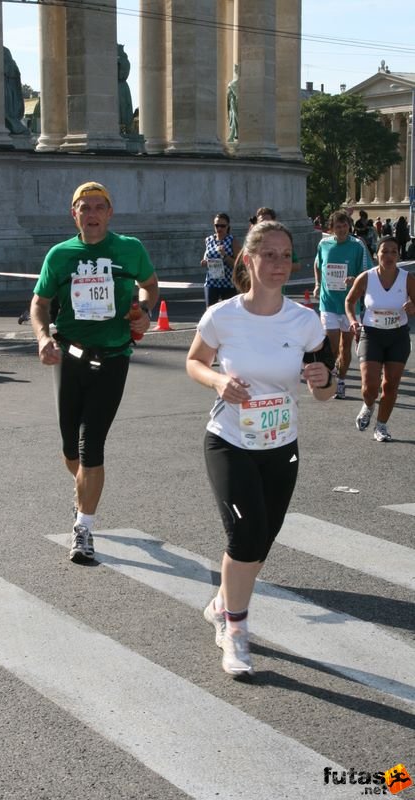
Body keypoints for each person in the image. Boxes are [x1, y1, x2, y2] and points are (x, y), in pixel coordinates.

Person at [186, 221, 336, 677]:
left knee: (261, 540)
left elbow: (325, 389)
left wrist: (323, 380)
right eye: (268, 255)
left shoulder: (306, 322)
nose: (278, 264)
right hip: (229, 439)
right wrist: (218, 380)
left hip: (281, 445)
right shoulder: (223, 316)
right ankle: (235, 631)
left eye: (285, 254)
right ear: (248, 261)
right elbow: (194, 361)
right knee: (245, 537)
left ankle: (222, 603)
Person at [30, 181, 159, 564]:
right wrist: (41, 338)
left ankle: (84, 528)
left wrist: (144, 309)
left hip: (114, 356)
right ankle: (84, 491)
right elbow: (40, 302)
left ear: (109, 213)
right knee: (70, 447)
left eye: (99, 207)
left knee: (91, 445)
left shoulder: (129, 249)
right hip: (69, 358)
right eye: (84, 207)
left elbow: (149, 286)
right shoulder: (60, 255)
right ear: (74, 214)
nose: (91, 214)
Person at [345, 236, 415, 442]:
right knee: (369, 387)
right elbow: (350, 301)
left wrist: (413, 307)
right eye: (385, 251)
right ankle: (368, 405)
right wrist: (353, 321)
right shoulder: (366, 277)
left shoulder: (407, 278)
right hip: (371, 334)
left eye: (394, 251)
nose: (389, 255)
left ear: (398, 255)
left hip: (397, 335)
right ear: (377, 254)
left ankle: (381, 426)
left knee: (390, 385)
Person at [313, 210, 370, 399]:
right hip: (328, 303)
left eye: (345, 225)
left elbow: (368, 272)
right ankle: (333, 375)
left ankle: (342, 380)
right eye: (338, 226)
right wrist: (318, 284)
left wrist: (355, 280)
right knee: (331, 346)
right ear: (332, 228)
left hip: (350, 306)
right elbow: (317, 264)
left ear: (349, 226)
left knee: (345, 346)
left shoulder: (357, 246)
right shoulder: (324, 244)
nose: (342, 229)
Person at [201, 213, 239, 307]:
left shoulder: (232, 240)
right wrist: (204, 262)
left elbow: (239, 264)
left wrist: (225, 255)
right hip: (211, 282)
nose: (219, 229)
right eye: (217, 226)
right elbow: (206, 256)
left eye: (223, 226)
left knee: (228, 313)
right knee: (210, 312)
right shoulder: (209, 240)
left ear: (228, 226)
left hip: (228, 283)